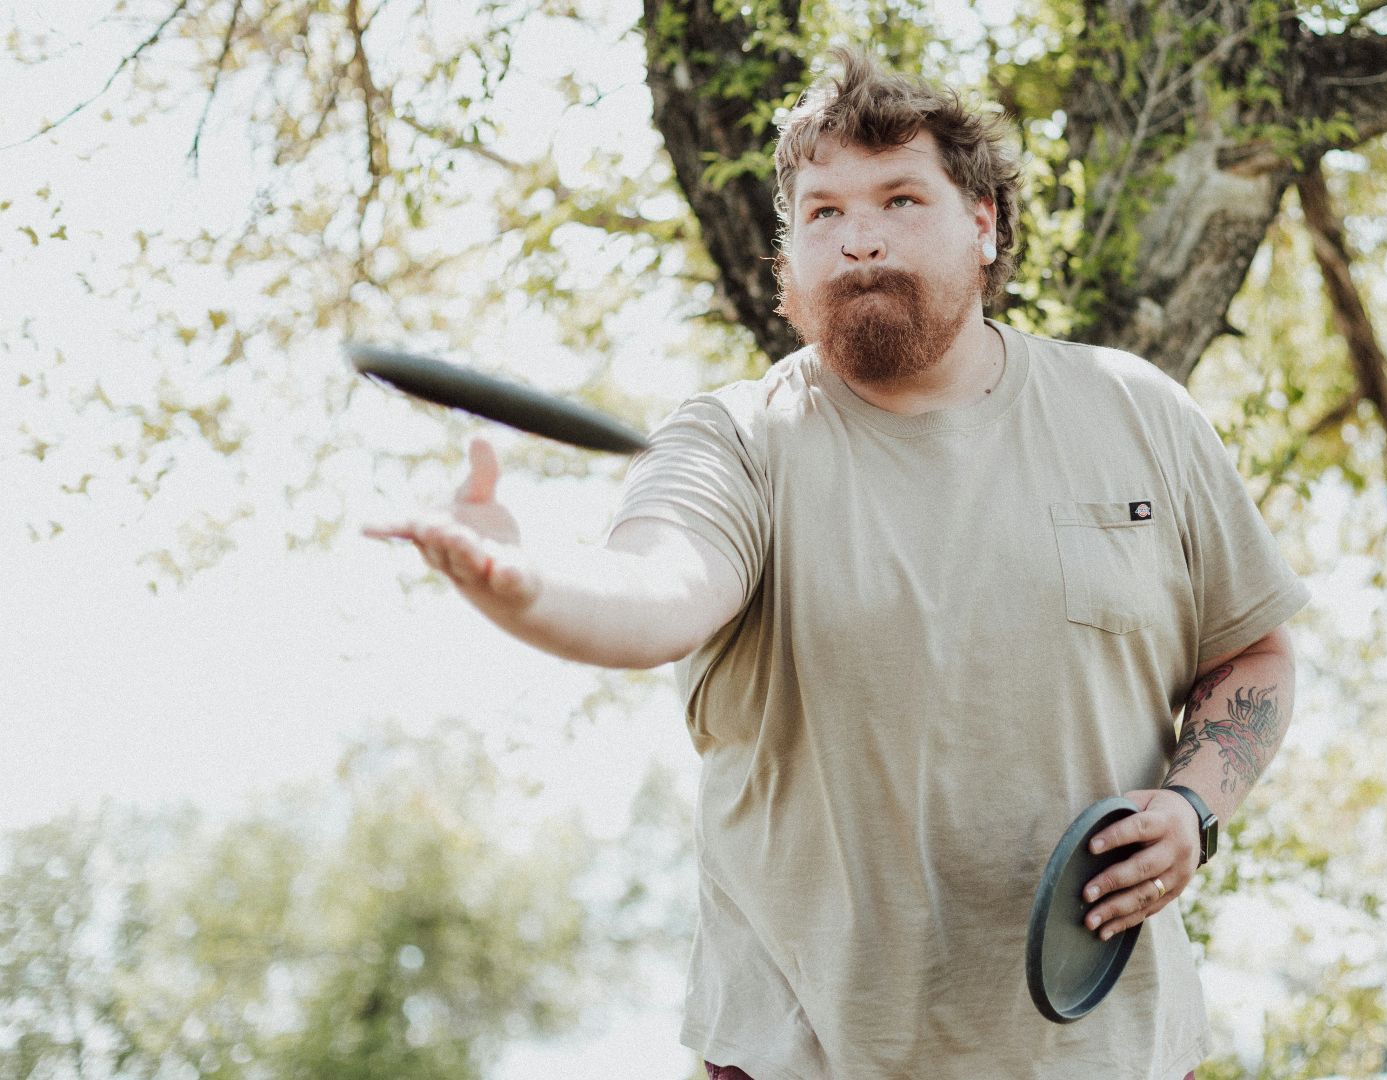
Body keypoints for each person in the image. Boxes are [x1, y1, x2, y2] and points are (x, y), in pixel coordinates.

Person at [364, 47, 1308, 1080]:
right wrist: (526, 585)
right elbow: (654, 591)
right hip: (806, 1054)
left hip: (1108, 1050)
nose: (858, 238)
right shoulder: (736, 440)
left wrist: (1191, 806)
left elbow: (1252, 654)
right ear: (788, 250)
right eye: (822, 213)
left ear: (984, 222)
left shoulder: (1139, 415)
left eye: (900, 199)